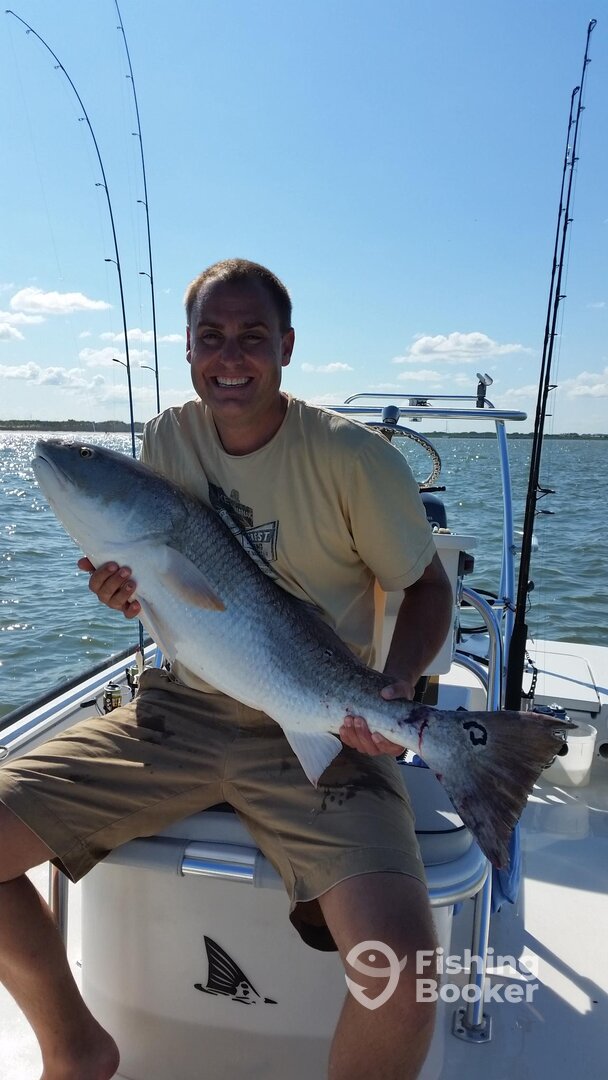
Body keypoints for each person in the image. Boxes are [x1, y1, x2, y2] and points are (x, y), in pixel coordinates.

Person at [0, 259, 453, 1080]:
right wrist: (125, 593)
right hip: (181, 710)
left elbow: (426, 586)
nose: (231, 356)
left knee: (408, 977)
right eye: (211, 337)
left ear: (286, 347)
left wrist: (397, 686)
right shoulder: (169, 437)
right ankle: (76, 1050)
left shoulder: (355, 459)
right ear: (187, 349)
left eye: (252, 337)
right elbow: (172, 591)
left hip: (317, 713)